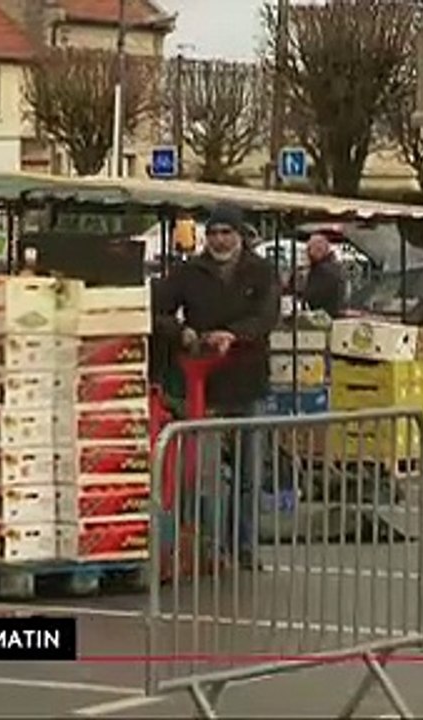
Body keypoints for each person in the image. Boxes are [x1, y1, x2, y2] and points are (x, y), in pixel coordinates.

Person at [152, 202, 282, 569]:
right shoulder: (189, 272)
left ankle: (244, 547)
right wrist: (182, 332)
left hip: (248, 380)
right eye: (213, 233)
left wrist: (234, 335)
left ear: (240, 236)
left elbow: (267, 316)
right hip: (203, 385)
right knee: (203, 475)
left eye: (227, 233)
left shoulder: (261, 271)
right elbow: (157, 309)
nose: (220, 240)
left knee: (249, 474)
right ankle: (208, 548)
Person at [300, 233, 346, 317]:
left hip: (321, 316)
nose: (307, 254)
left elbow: (312, 298)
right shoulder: (336, 267)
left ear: (319, 250)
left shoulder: (321, 270)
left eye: (309, 249)